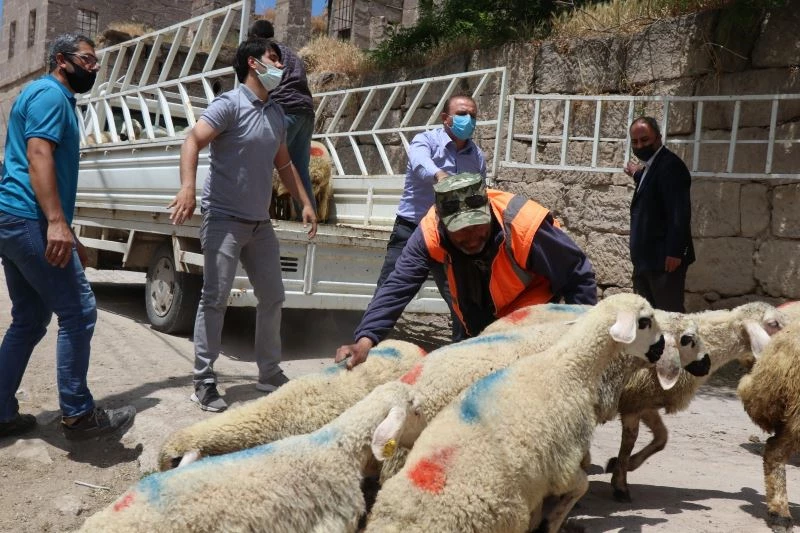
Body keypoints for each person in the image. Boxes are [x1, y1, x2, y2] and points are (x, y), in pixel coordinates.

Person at [169, 38, 318, 413]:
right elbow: (192, 141)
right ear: (253, 63)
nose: (280, 67)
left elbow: (284, 165)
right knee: (215, 299)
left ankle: (268, 372)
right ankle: (203, 380)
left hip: (259, 224)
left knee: (273, 296)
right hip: (223, 220)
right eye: (274, 59)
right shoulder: (229, 105)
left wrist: (304, 203)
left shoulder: (276, 114)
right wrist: (187, 188)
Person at [0, 33, 136, 440]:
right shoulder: (50, 95)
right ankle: (77, 413)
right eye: (88, 59)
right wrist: (56, 224)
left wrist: (69, 234)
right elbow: (38, 155)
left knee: (29, 318)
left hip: (16, 218)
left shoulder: (48, 96)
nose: (94, 67)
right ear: (61, 60)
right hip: (28, 220)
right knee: (79, 313)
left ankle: (2, 411)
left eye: (96, 62)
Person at [335, 173, 597, 369]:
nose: (471, 238)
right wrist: (365, 339)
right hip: (480, 318)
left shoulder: (524, 226)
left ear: (488, 212)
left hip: (533, 320)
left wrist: (579, 345)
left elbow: (577, 275)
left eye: (476, 227)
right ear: (442, 223)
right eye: (460, 231)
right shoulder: (429, 233)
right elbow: (397, 287)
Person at [375, 95, 487, 341]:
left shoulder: (476, 156)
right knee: (389, 292)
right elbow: (419, 163)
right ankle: (368, 346)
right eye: (461, 114)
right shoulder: (425, 140)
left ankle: (461, 352)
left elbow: (480, 193)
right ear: (445, 118)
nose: (468, 120)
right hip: (411, 229)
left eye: (473, 115)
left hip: (448, 235)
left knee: (461, 299)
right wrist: (438, 174)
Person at [625, 116, 695, 313]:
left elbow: (679, 212)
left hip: (664, 261)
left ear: (658, 138)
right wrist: (636, 174)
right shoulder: (651, 166)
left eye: (645, 140)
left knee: (668, 315)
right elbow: (654, 188)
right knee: (648, 317)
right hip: (646, 260)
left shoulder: (670, 166)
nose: (640, 145)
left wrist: (674, 252)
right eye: (635, 142)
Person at [248, 19, 316, 219]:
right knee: (300, 168)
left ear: (255, 37)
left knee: (264, 162)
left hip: (285, 109)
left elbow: (263, 85)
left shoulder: (266, 52)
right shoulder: (291, 53)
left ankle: (259, 214)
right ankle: (309, 216)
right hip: (306, 111)